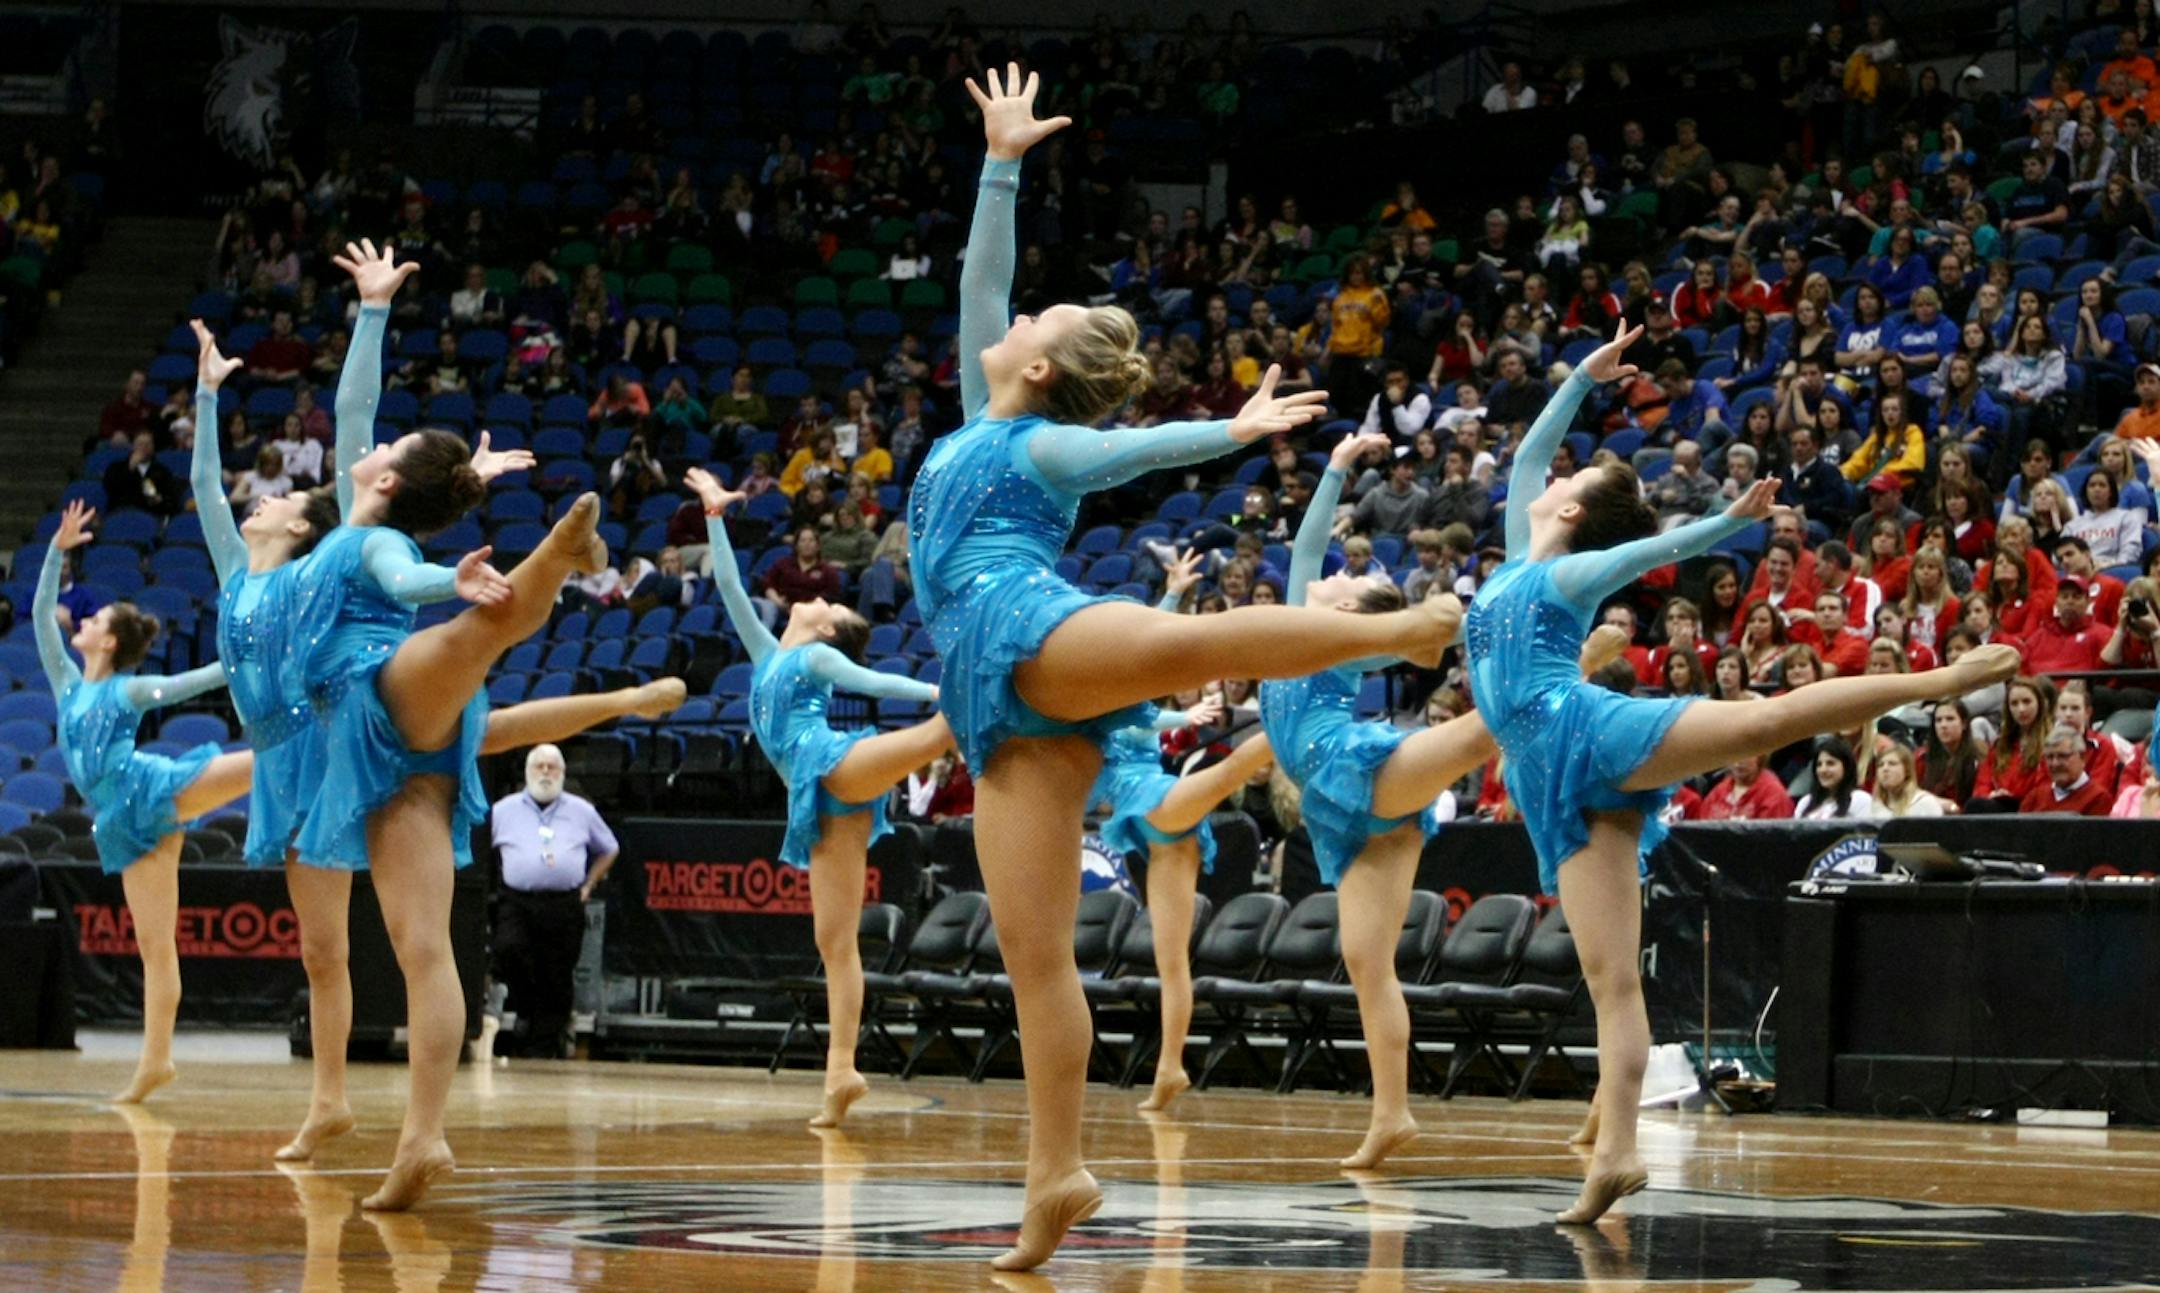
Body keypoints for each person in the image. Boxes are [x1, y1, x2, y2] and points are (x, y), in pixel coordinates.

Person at [906, 68, 1451, 1271]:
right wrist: (1001, 161)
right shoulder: (978, 414)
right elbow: (976, 282)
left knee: (1180, 644)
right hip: (987, 696)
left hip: (1022, 619)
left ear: (1040, 369)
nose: (1007, 323)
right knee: (1033, 952)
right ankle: (1057, 1171)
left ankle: (1397, 633)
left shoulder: (1040, 442)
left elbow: (1122, 448)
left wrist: (1232, 434)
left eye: (1029, 326)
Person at [1461, 323, 2016, 1225]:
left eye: (1569, 478)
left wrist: (1729, 522)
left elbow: (1648, 553)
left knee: (1763, 717)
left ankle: (1940, 677)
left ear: (1568, 511)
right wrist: (1587, 377)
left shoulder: (1567, 575)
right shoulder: (1523, 547)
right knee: (1610, 979)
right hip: (1542, 774)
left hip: (1591, 730)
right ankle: (1616, 1153)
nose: (1553, 476)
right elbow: (1529, 446)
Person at [188, 311, 687, 1162]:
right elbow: (209, 483)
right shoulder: (242, 575)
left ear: (308, 522)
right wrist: (204, 396)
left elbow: (383, 515)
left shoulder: (341, 541)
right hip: (296, 752)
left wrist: (377, 313)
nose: (256, 500)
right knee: (324, 946)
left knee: (473, 671)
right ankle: (331, 1104)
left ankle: (561, 573)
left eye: (274, 501)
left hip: (363, 701)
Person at [292, 241, 618, 1212]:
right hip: (386, 753)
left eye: (385, 454)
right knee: (423, 945)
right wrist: (375, 309)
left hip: (381, 691)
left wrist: (450, 572)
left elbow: (401, 575)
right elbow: (359, 419)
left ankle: (554, 562)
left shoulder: (378, 535)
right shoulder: (368, 508)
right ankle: (422, 1138)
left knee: (470, 636)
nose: (370, 445)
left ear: (388, 484)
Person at [1271, 430, 1630, 1169]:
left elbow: (1399, 631)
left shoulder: (1344, 640)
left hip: (1357, 767)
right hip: (1343, 817)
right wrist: (1335, 466)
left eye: (1341, 580)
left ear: (1357, 614)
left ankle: (1576, 666)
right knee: (1366, 962)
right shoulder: (1293, 620)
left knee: (1483, 731)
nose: (1330, 572)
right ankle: (1391, 1113)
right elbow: (1306, 544)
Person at [689, 467, 954, 1127]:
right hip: (821, 799)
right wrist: (716, 517)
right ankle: (840, 1072)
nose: (817, 597)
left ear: (827, 628)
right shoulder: (766, 651)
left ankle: (964, 703)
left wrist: (929, 692)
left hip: (833, 762)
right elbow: (727, 585)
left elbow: (869, 676)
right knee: (834, 939)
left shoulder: (816, 659)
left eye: (829, 605)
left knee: (936, 729)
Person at [35, 502, 250, 1104]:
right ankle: (155, 1062)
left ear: (108, 639)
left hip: (153, 788)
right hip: (125, 822)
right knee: (155, 945)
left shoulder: (129, 689)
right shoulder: (69, 684)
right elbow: (37, 618)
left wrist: (238, 662)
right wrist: (58, 550)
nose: (81, 620)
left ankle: (332, 744)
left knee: (265, 761)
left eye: (94, 616)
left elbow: (192, 683)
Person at [490, 745, 619, 1059]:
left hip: (564, 902)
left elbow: (610, 848)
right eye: (539, 767)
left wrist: (589, 883)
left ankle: (542, 1046)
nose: (545, 773)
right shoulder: (503, 810)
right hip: (516, 901)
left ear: (562, 774)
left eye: (552, 767)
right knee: (509, 950)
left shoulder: (581, 810)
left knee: (557, 973)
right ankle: (525, 1011)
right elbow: (481, 846)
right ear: (527, 772)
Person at [2021, 723, 2115, 815]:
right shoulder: (2034, 798)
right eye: (2050, 757)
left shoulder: (2098, 798)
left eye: (2063, 756)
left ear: (2082, 757)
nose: (2055, 763)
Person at [1792, 738, 1880, 818]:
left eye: (1830, 763)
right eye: (1819, 765)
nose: (1823, 770)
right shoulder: (1805, 802)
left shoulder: (1861, 800)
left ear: (1846, 767)